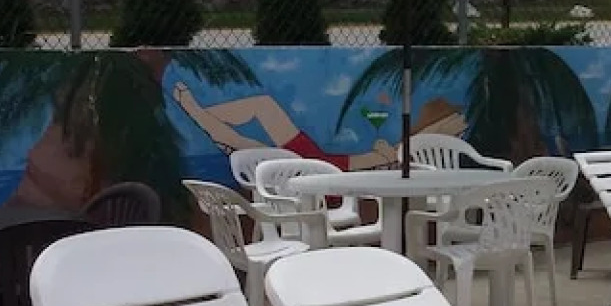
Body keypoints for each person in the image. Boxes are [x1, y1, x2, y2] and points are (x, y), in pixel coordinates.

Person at [174, 82, 467, 170]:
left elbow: (397, 151)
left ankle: (204, 118)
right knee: (261, 110)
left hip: (315, 173)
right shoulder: (396, 154)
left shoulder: (397, 155)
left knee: (251, 145)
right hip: (317, 162)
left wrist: (384, 151)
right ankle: (204, 117)